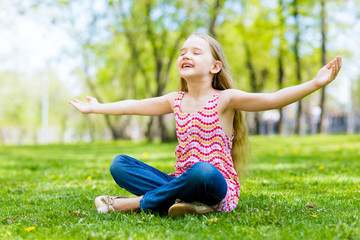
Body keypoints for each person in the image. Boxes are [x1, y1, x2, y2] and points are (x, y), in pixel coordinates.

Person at [69, 33, 342, 217]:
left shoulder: (225, 99)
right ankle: (184, 203)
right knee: (120, 164)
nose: (186, 55)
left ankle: (137, 204)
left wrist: (315, 83)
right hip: (181, 182)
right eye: (183, 52)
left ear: (215, 67)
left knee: (203, 171)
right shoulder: (175, 100)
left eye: (196, 52)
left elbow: (272, 99)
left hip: (214, 184)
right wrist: (97, 107)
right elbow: (133, 104)